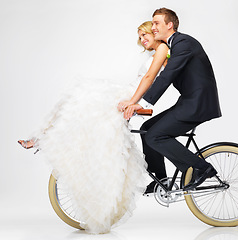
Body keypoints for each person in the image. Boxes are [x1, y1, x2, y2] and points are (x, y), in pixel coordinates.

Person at [18, 21, 169, 234]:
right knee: (77, 104)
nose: (143, 39)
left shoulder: (163, 48)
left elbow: (149, 78)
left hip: (129, 97)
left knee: (81, 103)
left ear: (157, 33)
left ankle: (42, 139)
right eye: (140, 36)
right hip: (129, 96)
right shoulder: (156, 51)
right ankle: (42, 138)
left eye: (146, 34)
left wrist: (134, 102)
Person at [122, 8, 222, 194]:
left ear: (170, 25)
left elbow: (166, 77)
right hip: (188, 102)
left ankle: (200, 167)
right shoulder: (172, 46)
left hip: (197, 104)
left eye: (157, 23)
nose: (153, 27)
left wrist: (142, 104)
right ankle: (161, 180)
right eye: (152, 23)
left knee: (155, 136)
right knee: (147, 129)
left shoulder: (183, 43)